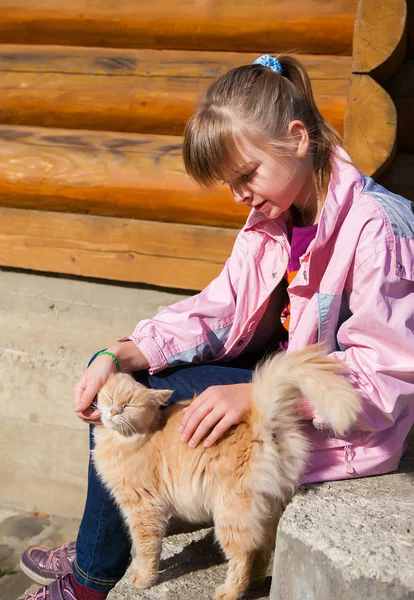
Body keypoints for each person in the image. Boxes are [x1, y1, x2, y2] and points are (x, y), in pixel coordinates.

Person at [19, 54, 414, 600]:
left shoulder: (379, 231)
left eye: (246, 176)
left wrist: (251, 396)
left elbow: (384, 379)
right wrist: (124, 351)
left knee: (160, 405)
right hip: (274, 383)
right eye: (229, 184)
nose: (239, 196)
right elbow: (221, 308)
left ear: (297, 138)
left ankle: (90, 578)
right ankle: (103, 535)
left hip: (335, 422)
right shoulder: (274, 216)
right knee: (124, 385)